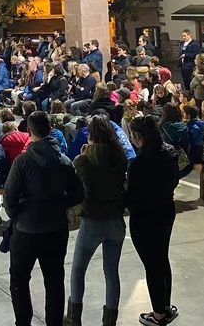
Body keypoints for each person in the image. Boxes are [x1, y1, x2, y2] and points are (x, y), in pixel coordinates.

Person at [4, 111, 83, 326]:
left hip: (26, 230)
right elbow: (77, 194)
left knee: (19, 280)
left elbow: (9, 196)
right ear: (51, 129)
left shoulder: (22, 161)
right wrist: (58, 204)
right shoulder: (64, 161)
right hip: (56, 228)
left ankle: (23, 322)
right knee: (55, 280)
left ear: (30, 131)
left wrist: (17, 214)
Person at [67, 114, 128, 326]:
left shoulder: (84, 160)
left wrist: (82, 156)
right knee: (111, 274)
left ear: (90, 135)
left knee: (78, 270)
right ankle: (109, 321)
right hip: (116, 222)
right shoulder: (119, 157)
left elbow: (76, 185)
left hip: (92, 222)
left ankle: (74, 318)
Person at [126, 117, 179, 326]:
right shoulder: (170, 153)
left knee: (152, 265)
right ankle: (165, 306)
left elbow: (131, 197)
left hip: (144, 218)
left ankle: (158, 315)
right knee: (162, 259)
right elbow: (175, 180)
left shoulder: (139, 163)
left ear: (138, 136)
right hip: (166, 210)